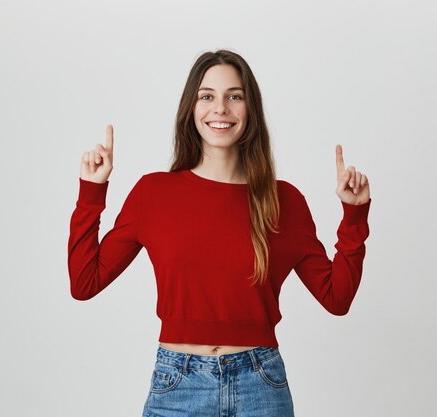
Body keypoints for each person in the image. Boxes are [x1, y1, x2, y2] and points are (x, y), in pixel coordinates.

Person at [67, 49, 371, 417]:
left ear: (250, 110)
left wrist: (354, 217)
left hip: (261, 387)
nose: (220, 108)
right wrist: (91, 193)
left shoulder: (284, 200)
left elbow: (336, 299)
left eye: (235, 96)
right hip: (177, 386)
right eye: (207, 96)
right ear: (191, 109)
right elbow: (84, 283)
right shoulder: (154, 193)